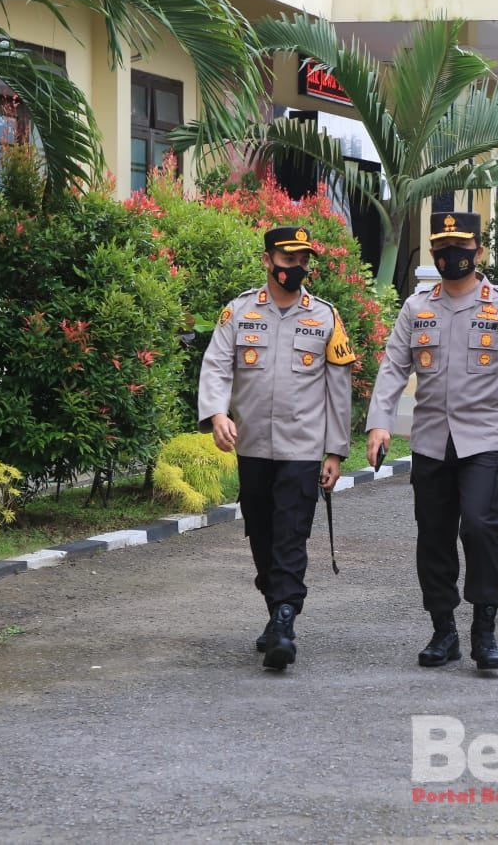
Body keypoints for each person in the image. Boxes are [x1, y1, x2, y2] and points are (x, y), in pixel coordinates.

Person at [365, 211, 498, 671]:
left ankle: (484, 629)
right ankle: (443, 629)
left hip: (486, 438)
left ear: (478, 252)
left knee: (482, 528)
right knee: (434, 536)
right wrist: (380, 423)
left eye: (460, 249)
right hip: (430, 441)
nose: (450, 257)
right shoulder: (416, 307)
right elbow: (393, 368)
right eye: (442, 250)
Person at [198, 225, 355, 671]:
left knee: (291, 534)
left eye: (302, 260)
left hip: (302, 448)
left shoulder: (326, 317)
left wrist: (335, 451)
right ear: (268, 261)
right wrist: (216, 414)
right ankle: (274, 607)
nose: (296, 268)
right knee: (262, 533)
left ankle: (286, 618)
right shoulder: (239, 312)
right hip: (252, 447)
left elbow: (337, 390)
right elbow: (216, 367)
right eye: (287, 260)